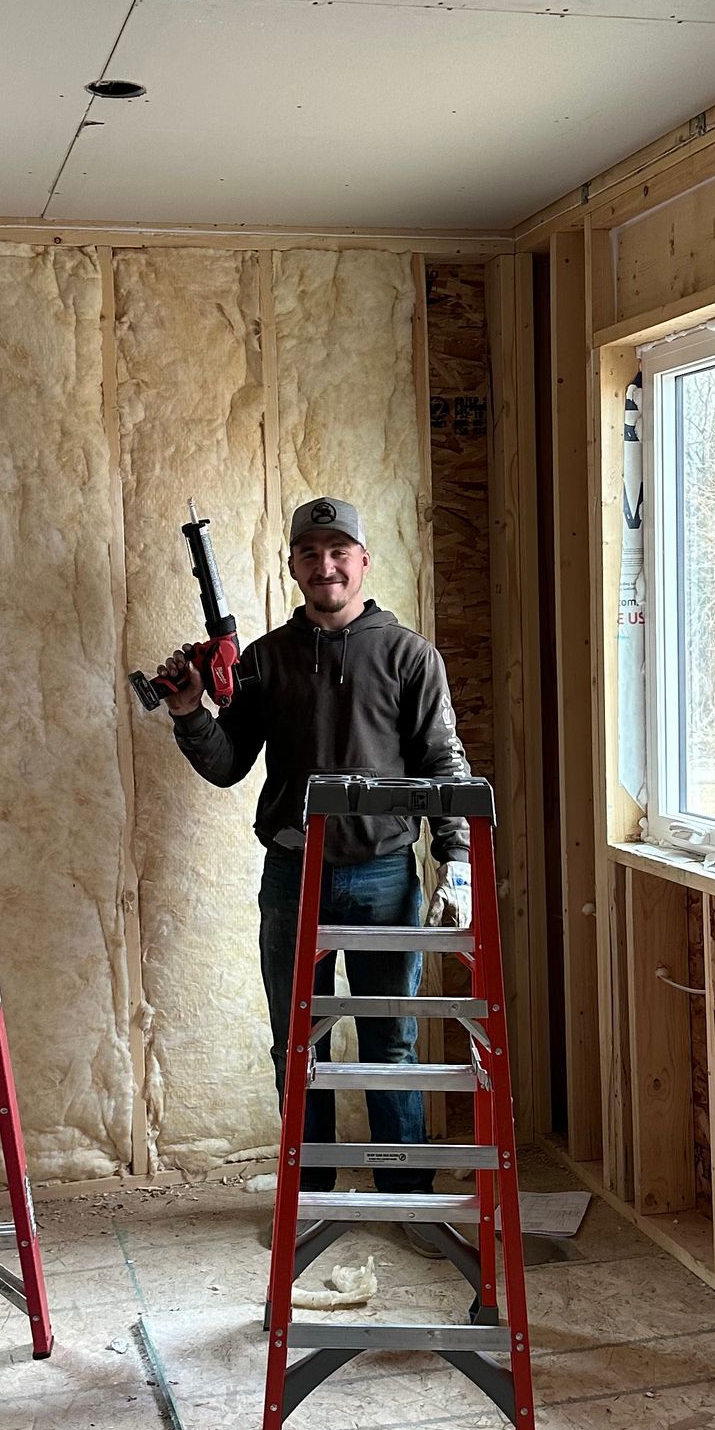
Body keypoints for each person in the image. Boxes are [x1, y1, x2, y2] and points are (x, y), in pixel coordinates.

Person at [160, 495, 473, 1201]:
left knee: (388, 1042)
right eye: (311, 553)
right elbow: (228, 764)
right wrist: (189, 715)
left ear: (362, 562)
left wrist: (455, 864)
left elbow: (443, 765)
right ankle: (315, 1192)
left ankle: (408, 1196)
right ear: (295, 564)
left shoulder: (407, 656)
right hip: (294, 875)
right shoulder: (267, 660)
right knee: (299, 1047)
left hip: (385, 877)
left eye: (339, 552)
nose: (325, 565)